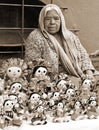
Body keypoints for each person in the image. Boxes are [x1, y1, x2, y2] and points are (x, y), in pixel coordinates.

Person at [25, 4, 96, 83]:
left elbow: (84, 56)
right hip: (53, 81)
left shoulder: (70, 36)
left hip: (78, 74)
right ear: (42, 20)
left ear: (61, 20)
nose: (52, 22)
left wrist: (89, 73)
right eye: (47, 19)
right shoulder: (36, 37)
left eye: (56, 19)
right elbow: (33, 66)